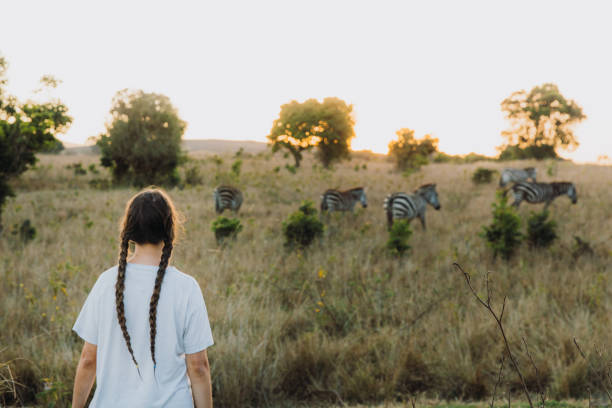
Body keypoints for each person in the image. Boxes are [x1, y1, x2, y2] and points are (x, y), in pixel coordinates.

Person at [71, 188, 214, 408]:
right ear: (170, 230)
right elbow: (198, 367)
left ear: (129, 231)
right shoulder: (187, 287)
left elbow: (88, 359)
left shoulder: (106, 282)